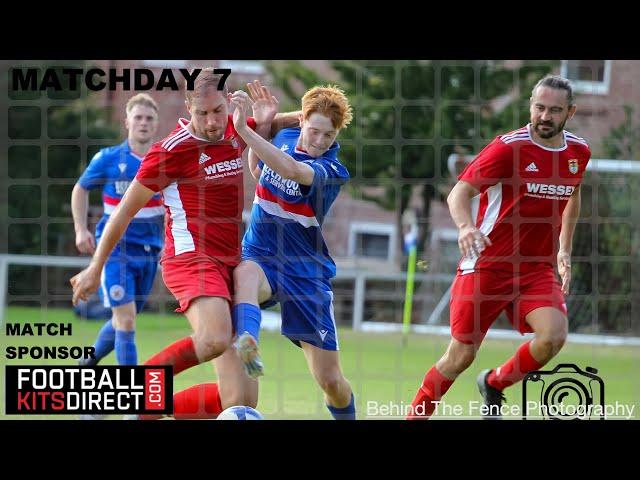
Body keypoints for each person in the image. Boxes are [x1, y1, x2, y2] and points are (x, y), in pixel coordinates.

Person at [71, 70, 299, 419]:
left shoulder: (236, 131)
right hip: (190, 258)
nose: (211, 122)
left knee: (239, 400)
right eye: (202, 113)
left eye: (218, 111)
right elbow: (122, 214)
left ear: (229, 104)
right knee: (213, 338)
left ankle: (149, 411)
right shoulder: (171, 151)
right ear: (188, 106)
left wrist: (306, 116)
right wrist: (95, 267)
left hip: (230, 264)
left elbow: (275, 124)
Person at [407, 75, 591, 419]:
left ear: (570, 111)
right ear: (530, 106)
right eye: (539, 107)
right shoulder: (508, 148)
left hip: (536, 269)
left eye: (554, 110)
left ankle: (494, 382)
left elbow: (573, 194)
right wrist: (465, 226)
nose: (545, 116)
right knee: (460, 355)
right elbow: (458, 193)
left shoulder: (578, 152)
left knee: (553, 336)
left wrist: (564, 249)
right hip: (488, 264)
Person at [230, 84, 357, 419]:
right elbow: (258, 170)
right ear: (302, 122)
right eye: (314, 131)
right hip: (262, 254)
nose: (318, 141)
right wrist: (263, 124)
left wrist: (246, 129)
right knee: (243, 274)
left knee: (330, 381)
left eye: (328, 136)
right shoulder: (286, 134)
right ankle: (246, 344)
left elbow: (291, 171)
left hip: (305, 272)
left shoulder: (333, 170)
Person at [71, 93, 162, 367]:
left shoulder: (166, 161)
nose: (143, 123)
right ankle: (129, 401)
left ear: (156, 124)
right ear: (127, 122)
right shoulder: (109, 158)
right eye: (138, 118)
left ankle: (85, 365)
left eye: (149, 118)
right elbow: (80, 189)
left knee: (123, 319)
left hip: (150, 252)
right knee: (126, 319)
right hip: (115, 250)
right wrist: (80, 229)